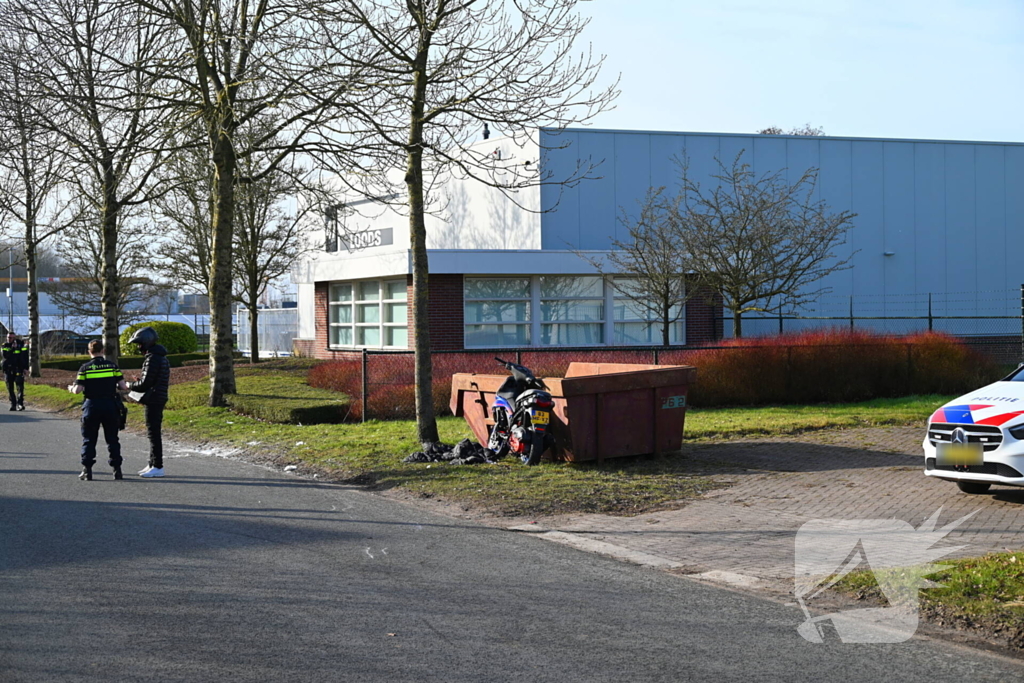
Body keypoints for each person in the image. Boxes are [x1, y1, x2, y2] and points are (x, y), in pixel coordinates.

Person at [68, 340, 128, 481]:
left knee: (89, 439)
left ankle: (87, 470)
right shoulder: (112, 366)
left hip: (92, 406)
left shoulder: (85, 368)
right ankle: (117, 470)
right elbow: (123, 386)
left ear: (89, 352)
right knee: (112, 439)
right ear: (103, 350)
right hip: (110, 405)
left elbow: (78, 390)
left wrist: (70, 388)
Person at [127, 326, 170, 478]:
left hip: (154, 399)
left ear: (146, 343)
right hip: (158, 397)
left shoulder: (153, 358)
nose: (139, 347)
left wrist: (128, 385)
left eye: (139, 344)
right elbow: (152, 380)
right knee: (152, 432)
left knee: (153, 433)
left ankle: (158, 466)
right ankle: (152, 463)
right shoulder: (159, 357)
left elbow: (145, 384)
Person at [2, 331, 29, 411]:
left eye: (11, 338)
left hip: (18, 368)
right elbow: (5, 355)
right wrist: (12, 348)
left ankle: (20, 404)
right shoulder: (5, 345)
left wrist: (26, 368)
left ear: (15, 338)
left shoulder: (21, 345)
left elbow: (25, 357)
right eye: (8, 337)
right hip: (8, 369)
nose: (9, 339)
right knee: (10, 388)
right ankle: (13, 404)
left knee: (20, 387)